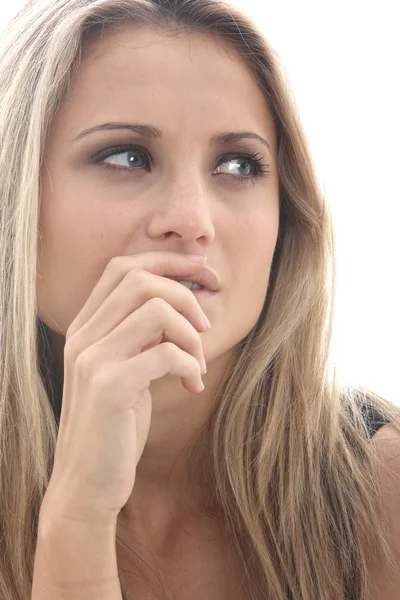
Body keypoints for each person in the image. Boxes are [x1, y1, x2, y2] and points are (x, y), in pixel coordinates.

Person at [0, 0, 399, 598]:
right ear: (17, 204)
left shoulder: (380, 486)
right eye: (127, 156)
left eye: (238, 165)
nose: (191, 221)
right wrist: (78, 520)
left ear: (285, 217)